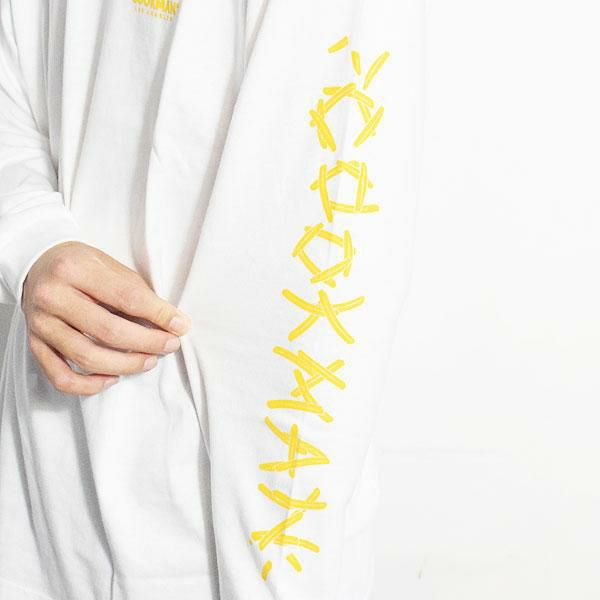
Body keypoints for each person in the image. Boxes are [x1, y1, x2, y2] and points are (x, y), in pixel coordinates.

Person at [0, 1, 419, 598]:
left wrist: (276, 578)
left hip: (217, 552)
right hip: (35, 496)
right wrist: (31, 235)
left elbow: (319, 283)